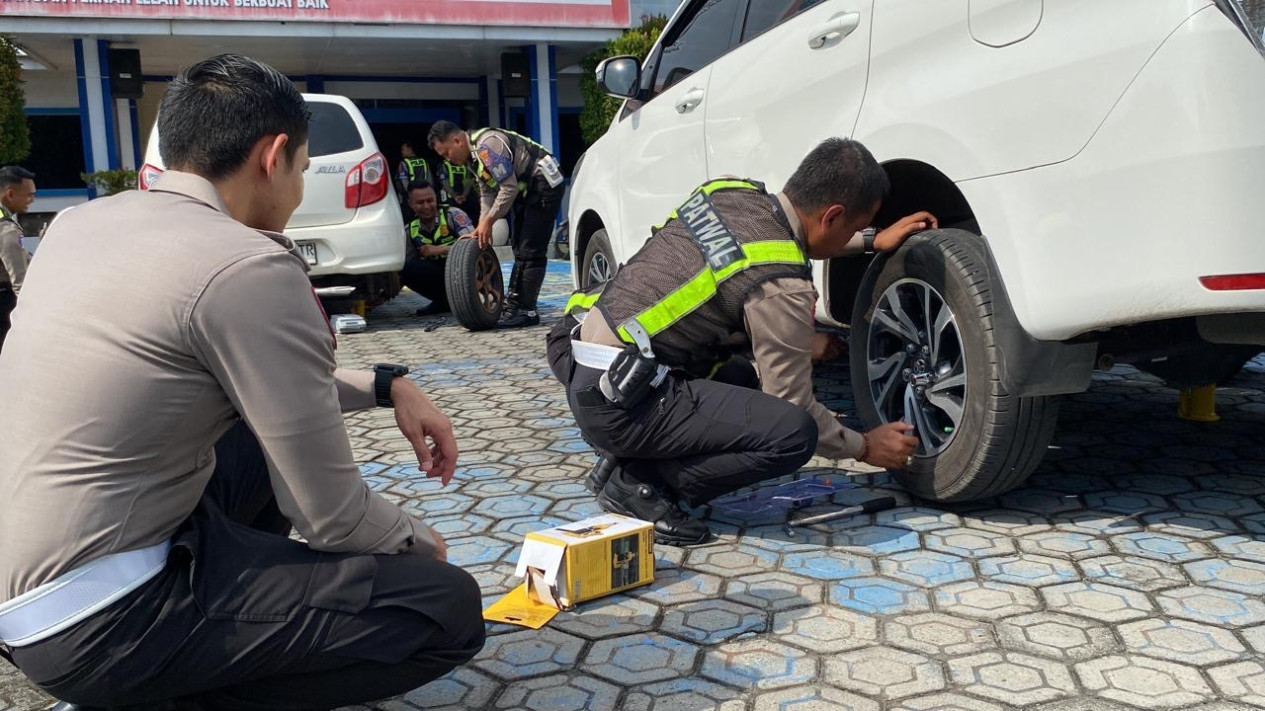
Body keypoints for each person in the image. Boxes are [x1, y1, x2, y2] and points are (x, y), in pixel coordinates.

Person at [0, 55, 483, 711]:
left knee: (257, 439)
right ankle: (172, 690)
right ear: (273, 154)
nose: (300, 187)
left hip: (29, 591)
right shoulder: (247, 264)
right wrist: (419, 543)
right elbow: (333, 517)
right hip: (100, 623)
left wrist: (386, 384)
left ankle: (225, 621)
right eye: (306, 169)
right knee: (444, 606)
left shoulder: (78, 225)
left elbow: (271, 384)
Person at [547, 138, 935, 545]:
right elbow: (793, 403)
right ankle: (643, 483)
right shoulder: (783, 285)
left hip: (582, 356)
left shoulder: (730, 193)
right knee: (793, 433)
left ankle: (639, 445)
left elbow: (785, 241)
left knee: (744, 381)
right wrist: (864, 447)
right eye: (854, 227)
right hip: (622, 402)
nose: (855, 235)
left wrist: (870, 239)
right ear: (833, 215)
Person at [429, 121, 564, 329]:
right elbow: (487, 192)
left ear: (456, 141)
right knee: (519, 246)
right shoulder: (473, 159)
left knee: (530, 248)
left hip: (544, 182)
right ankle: (515, 305)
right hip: (527, 188)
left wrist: (489, 221)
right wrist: (482, 226)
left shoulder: (487, 146)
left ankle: (527, 310)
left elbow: (508, 188)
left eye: (447, 153)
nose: (448, 159)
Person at [400, 179, 475, 316]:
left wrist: (440, 249)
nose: (426, 206)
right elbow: (405, 264)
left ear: (436, 198)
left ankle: (465, 302)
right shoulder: (409, 229)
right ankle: (443, 301)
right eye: (420, 203)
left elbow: (473, 248)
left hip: (464, 276)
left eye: (430, 200)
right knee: (405, 268)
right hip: (438, 275)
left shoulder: (454, 215)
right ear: (410, 204)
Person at [0, 166, 34, 352]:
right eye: (29, 195)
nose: (32, 200)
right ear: (10, 194)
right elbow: (20, 283)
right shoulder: (6, 229)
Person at [437, 156, 479, 224]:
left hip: (453, 199)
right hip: (462, 199)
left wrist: (456, 196)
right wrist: (464, 195)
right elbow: (468, 180)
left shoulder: (443, 165)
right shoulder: (463, 165)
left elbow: (444, 182)